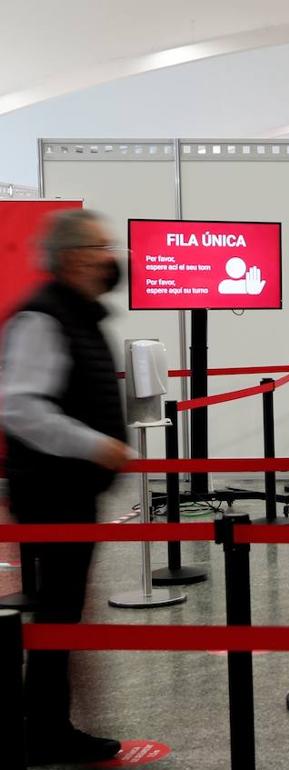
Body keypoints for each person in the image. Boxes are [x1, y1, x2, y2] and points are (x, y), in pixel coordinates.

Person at [1, 209, 132, 765]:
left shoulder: (78, 314)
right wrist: (93, 445)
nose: (111, 258)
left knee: (63, 612)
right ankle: (45, 730)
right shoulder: (43, 318)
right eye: (101, 248)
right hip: (50, 492)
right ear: (74, 256)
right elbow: (20, 406)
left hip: (72, 491)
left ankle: (46, 723)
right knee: (56, 615)